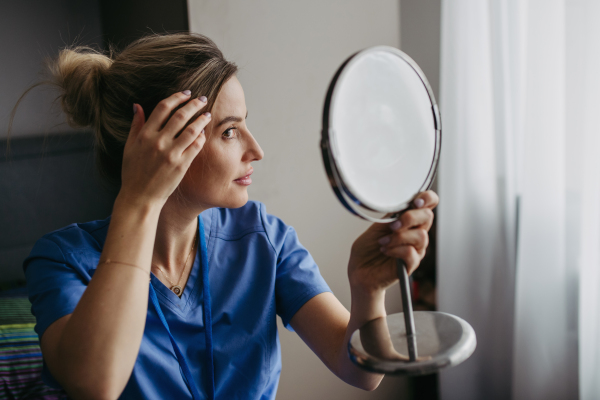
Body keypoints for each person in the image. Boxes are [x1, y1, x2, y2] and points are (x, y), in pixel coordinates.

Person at [20, 33, 438, 399]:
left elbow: (361, 371)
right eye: (230, 131)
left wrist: (367, 291)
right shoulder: (62, 261)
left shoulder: (264, 240)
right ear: (159, 144)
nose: (256, 151)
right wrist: (139, 200)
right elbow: (96, 385)